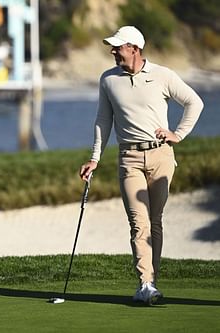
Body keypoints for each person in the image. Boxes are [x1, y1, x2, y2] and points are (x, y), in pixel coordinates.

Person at [79, 26, 203, 305]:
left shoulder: (163, 75)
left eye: (118, 47)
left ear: (134, 48)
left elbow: (194, 103)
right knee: (139, 222)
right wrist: (95, 158)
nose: (113, 51)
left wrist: (178, 134)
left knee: (154, 221)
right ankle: (145, 283)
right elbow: (103, 121)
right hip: (129, 159)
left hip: (161, 157)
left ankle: (153, 281)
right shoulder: (108, 80)